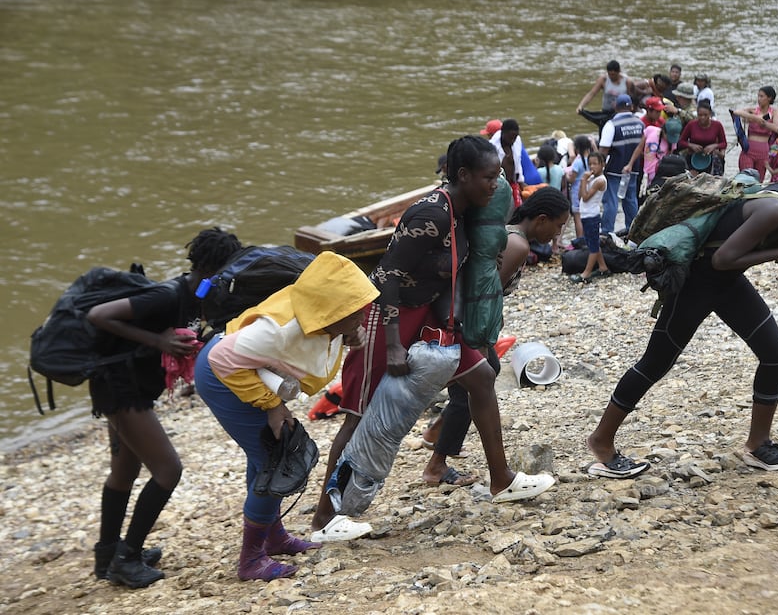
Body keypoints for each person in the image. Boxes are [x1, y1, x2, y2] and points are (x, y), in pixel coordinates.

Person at [311, 135, 556, 542]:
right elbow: (386, 276)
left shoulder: (467, 212)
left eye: (498, 176)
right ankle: (324, 519)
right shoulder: (433, 215)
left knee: (481, 376)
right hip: (387, 319)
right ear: (462, 176)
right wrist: (392, 343)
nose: (496, 185)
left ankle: (502, 480)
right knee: (359, 417)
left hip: (428, 316)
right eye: (488, 177)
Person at [586, 165, 778, 478]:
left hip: (726, 285)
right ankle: (601, 443)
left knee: (775, 354)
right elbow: (722, 259)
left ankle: (758, 444)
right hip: (696, 286)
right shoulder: (774, 207)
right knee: (655, 364)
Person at [193, 252, 378, 581]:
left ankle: (274, 538)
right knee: (277, 462)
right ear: (329, 310)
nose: (362, 315)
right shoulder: (279, 330)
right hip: (223, 376)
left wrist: (349, 335)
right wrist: (272, 404)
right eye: (354, 311)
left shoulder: (327, 322)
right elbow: (223, 358)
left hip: (253, 373)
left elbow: (316, 344)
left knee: (265, 456)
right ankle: (250, 561)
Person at [86, 227, 243, 588]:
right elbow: (97, 315)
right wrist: (159, 340)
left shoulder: (199, 292)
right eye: (227, 268)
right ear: (208, 266)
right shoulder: (165, 294)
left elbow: (198, 321)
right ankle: (126, 559)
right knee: (168, 470)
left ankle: (108, 554)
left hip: (134, 387)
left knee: (125, 471)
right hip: (119, 389)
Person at [420, 188, 571, 485]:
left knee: (474, 386)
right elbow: (484, 294)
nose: (558, 233)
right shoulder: (517, 245)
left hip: (465, 321)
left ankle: (438, 436)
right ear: (541, 219)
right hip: (469, 324)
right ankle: (437, 463)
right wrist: (481, 337)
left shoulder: (508, 235)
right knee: (475, 388)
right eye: (558, 225)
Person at [598, 94, 643, 234]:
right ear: (631, 106)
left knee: (610, 201)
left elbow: (603, 150)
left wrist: (599, 168)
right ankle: (633, 231)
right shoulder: (640, 123)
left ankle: (606, 232)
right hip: (633, 168)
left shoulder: (611, 125)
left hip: (614, 170)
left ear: (616, 106)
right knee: (630, 199)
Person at [569, 152, 611, 283]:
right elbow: (580, 196)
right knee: (592, 242)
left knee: (592, 246)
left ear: (602, 165)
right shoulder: (591, 178)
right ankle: (603, 267)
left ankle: (586, 274)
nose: (592, 167)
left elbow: (586, 198)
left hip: (592, 215)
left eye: (595, 164)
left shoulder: (600, 180)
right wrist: (585, 181)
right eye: (590, 164)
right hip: (586, 214)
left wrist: (583, 180)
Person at [576, 60, 637, 132]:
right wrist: (581, 106)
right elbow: (592, 93)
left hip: (619, 113)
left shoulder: (627, 82)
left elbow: (632, 98)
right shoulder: (603, 80)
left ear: (619, 72)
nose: (611, 77)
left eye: (614, 75)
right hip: (606, 111)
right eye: (609, 74)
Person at [734, 86, 778, 181]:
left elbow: (776, 128)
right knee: (745, 179)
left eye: (762, 96)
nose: (759, 99)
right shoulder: (753, 111)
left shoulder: (774, 112)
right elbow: (736, 112)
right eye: (758, 96)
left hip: (763, 152)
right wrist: (755, 118)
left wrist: (764, 123)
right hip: (748, 150)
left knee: (758, 181)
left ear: (769, 98)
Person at [677, 100, 727, 175]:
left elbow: (724, 143)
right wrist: (691, 145)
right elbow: (681, 142)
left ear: (710, 114)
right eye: (700, 115)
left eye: (705, 115)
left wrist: (714, 146)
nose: (702, 117)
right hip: (693, 158)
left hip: (711, 158)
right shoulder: (692, 125)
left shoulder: (717, 125)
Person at [489, 119, 526, 207]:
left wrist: (521, 182)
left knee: (518, 209)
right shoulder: (492, 146)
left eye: (515, 137)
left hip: (513, 183)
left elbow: (518, 162)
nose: (513, 140)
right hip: (498, 187)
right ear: (503, 133)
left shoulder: (517, 141)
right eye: (511, 137)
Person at [566, 134, 594, 241]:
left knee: (577, 217)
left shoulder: (578, 162)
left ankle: (580, 240)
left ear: (577, 148)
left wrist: (566, 176)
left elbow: (572, 179)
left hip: (577, 190)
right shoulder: (592, 160)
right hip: (589, 188)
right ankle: (588, 238)